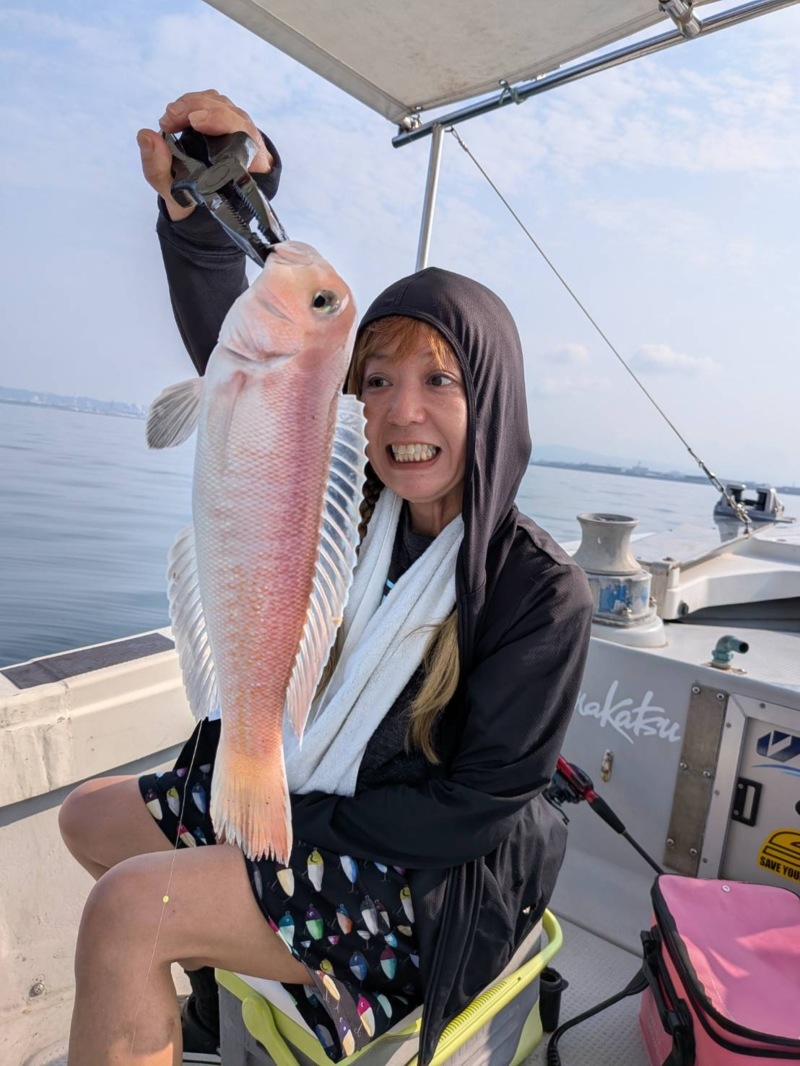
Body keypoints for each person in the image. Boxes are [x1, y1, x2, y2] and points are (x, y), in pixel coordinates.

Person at [59, 90, 593, 1066]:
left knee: (127, 910)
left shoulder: (539, 592)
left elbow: (467, 810)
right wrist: (212, 210)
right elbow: (256, 378)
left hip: (415, 886)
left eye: (439, 380)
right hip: (311, 815)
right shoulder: (342, 506)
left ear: (494, 394)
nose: (401, 411)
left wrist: (276, 830)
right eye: (377, 378)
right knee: (88, 817)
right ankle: (223, 985)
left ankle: (228, 964)